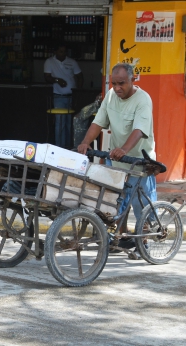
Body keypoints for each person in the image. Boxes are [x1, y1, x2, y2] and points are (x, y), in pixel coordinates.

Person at [76, 63, 157, 250]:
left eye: (122, 83)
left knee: (141, 203)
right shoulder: (111, 96)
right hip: (118, 160)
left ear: (132, 79)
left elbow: (139, 129)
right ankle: (118, 237)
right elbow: (98, 122)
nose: (117, 88)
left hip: (139, 160)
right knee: (118, 202)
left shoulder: (143, 100)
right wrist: (86, 142)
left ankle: (143, 239)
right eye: (114, 83)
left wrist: (125, 149)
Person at [44, 44, 83, 149]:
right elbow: (47, 77)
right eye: (60, 51)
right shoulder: (49, 62)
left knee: (69, 123)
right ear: (55, 52)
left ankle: (68, 146)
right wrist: (57, 80)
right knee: (59, 123)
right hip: (58, 96)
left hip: (71, 96)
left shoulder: (72, 62)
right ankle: (58, 147)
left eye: (64, 52)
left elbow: (80, 76)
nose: (63, 54)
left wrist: (78, 92)